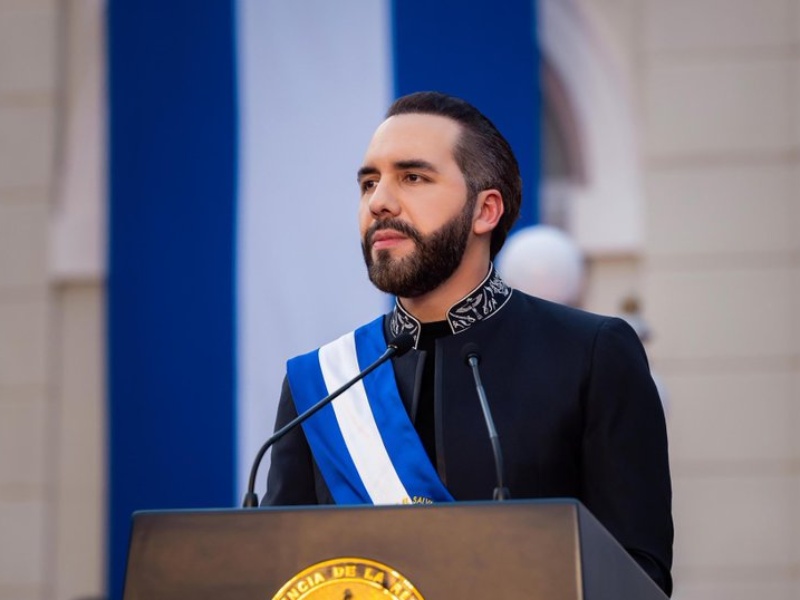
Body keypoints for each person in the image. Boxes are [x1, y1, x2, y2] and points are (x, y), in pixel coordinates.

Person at [264, 91, 673, 595]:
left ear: (486, 210)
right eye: (369, 182)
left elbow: (638, 576)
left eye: (412, 177)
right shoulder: (323, 383)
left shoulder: (591, 355)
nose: (379, 201)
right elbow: (277, 573)